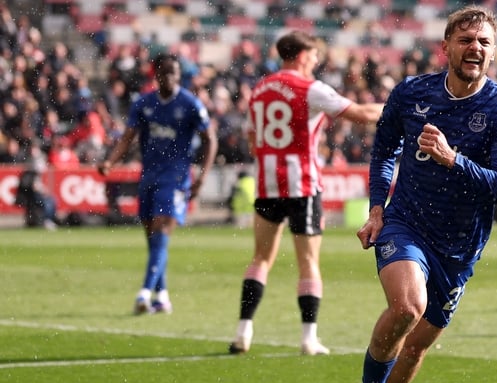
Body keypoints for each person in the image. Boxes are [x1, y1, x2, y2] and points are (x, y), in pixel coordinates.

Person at [338, 6, 497, 383]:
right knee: (408, 308)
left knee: (416, 346)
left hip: (459, 248)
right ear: (446, 47)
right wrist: (377, 209)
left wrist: (453, 159)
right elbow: (384, 149)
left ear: (493, 52)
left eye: (484, 42)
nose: (475, 48)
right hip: (406, 223)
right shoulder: (411, 93)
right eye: (466, 40)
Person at [227, 30, 383, 356]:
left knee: (260, 258)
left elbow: (253, 140)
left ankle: (243, 331)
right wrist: (401, 106)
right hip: (303, 185)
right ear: (300, 56)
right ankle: (308, 338)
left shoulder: (260, 89)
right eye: (312, 56)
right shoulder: (310, 88)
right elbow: (361, 114)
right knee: (308, 262)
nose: (315, 62)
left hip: (268, 185)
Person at [97, 53, 218, 315]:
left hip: (176, 178)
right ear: (156, 75)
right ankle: (162, 297)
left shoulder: (190, 104)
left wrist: (202, 176)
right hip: (149, 176)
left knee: (161, 230)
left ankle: (144, 292)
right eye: (165, 72)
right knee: (153, 238)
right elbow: (127, 137)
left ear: (179, 75)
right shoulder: (143, 103)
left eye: (174, 72)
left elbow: (210, 138)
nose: (170, 77)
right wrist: (110, 162)